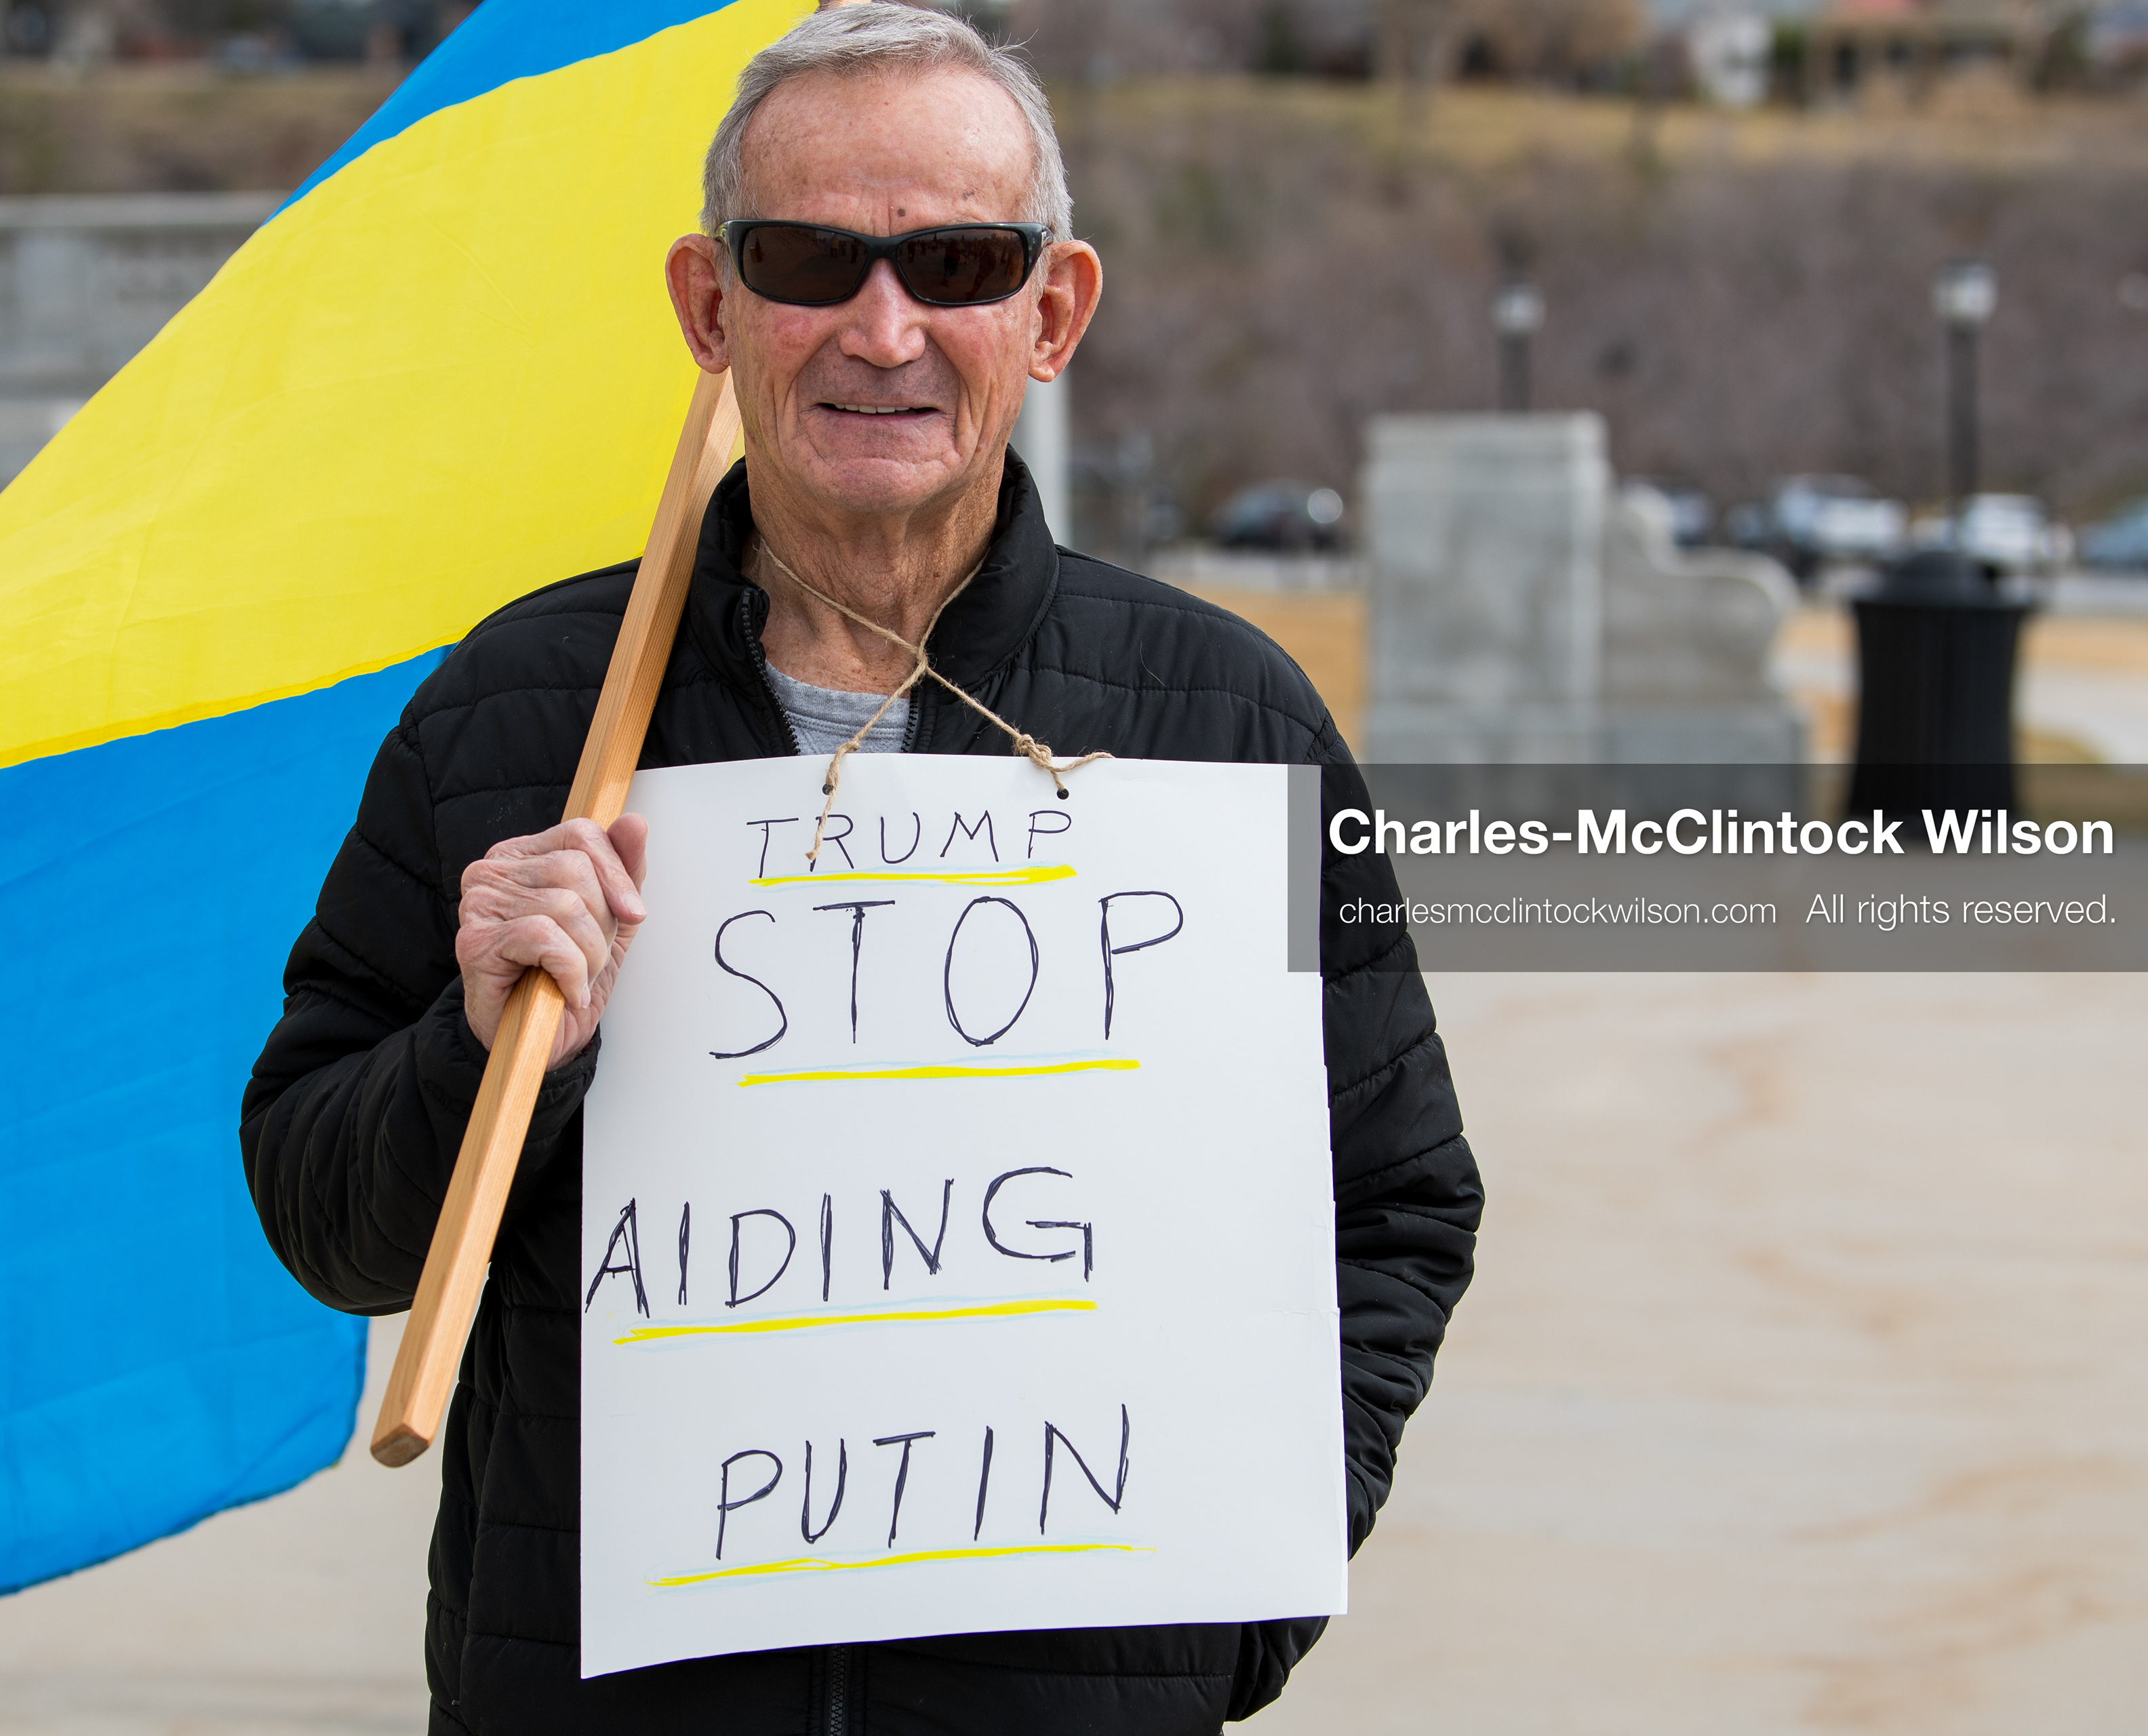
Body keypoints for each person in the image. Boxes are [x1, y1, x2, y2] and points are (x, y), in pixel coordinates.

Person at [242, 6, 1480, 1731]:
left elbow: (1400, 1200)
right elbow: (321, 1212)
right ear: (710, 303)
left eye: (957, 261)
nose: (882, 327)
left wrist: (1240, 1595)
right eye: (810, 258)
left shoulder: (1222, 718)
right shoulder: (521, 712)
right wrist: (483, 1043)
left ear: (1051, 313)